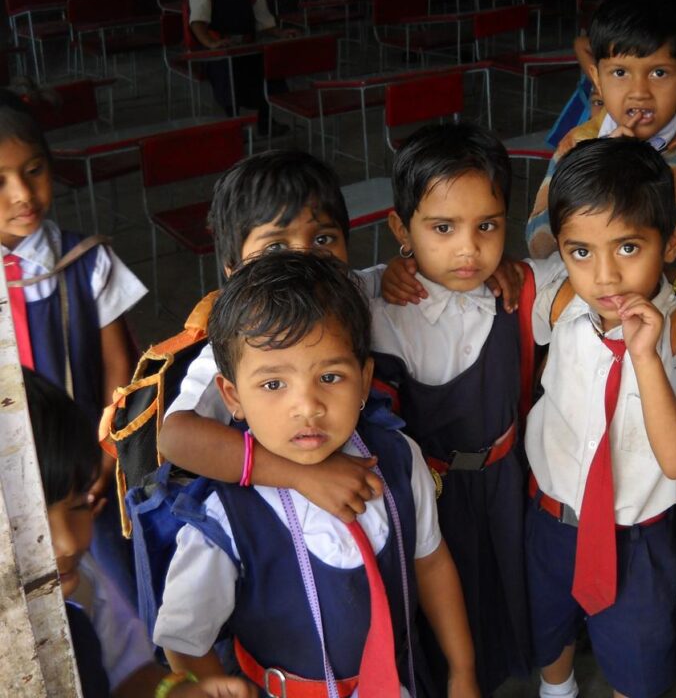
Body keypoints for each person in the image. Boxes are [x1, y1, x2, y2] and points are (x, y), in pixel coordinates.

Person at [153, 251, 479, 696]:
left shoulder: (399, 457)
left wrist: (462, 672)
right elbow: (184, 640)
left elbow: (432, 561)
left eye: (330, 377)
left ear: (364, 381)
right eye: (273, 385)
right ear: (232, 396)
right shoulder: (224, 517)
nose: (307, 406)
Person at [525, 137, 676, 698]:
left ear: (673, 241)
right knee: (548, 628)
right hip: (551, 520)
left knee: (637, 657)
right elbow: (477, 267)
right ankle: (556, 690)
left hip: (638, 539)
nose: (606, 276)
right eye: (581, 252)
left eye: (629, 248)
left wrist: (645, 355)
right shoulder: (561, 299)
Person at [371, 122, 533, 695]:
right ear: (401, 229)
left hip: (504, 484)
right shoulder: (379, 307)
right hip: (431, 497)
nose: (469, 249)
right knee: (441, 605)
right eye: (443, 228)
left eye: (487, 226)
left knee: (505, 591)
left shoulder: (520, 288)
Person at [158, 150, 387, 524]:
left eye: (324, 238)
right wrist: (300, 474)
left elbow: (389, 273)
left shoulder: (350, 287)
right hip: (277, 518)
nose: (305, 257)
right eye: (275, 247)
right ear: (233, 270)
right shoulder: (235, 341)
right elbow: (176, 438)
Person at [24, 367, 256, 698]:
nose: (69, 542)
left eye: (78, 507)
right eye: (28, 526)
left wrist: (174, 692)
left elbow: (129, 675)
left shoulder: (84, 587)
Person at [527, 0, 676, 303]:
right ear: (597, 79)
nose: (640, 92)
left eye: (659, 73)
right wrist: (597, 165)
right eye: (620, 73)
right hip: (599, 320)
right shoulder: (578, 144)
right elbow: (540, 245)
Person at [0, 88, 145, 595]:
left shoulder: (89, 263)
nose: (22, 194)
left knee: (114, 590)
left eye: (34, 170)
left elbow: (117, 368)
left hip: (88, 476)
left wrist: (106, 457)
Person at [188, 0, 297, 135]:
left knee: (268, 70)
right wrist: (212, 44)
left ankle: (265, 122)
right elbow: (197, 25)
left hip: (247, 49)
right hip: (219, 53)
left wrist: (279, 33)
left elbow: (265, 22)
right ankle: (233, 127)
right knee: (228, 76)